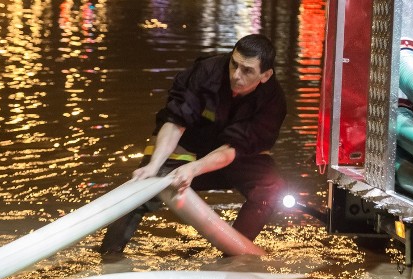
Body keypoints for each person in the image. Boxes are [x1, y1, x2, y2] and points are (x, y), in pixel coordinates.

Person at [100, 34, 287, 255]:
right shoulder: (206, 72)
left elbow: (235, 148)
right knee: (143, 185)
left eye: (247, 71)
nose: (236, 75)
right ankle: (109, 255)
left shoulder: (273, 103)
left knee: (270, 187)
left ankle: (233, 256)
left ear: (265, 75)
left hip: (231, 156)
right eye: (234, 64)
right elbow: (175, 120)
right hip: (186, 149)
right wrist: (154, 165)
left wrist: (195, 168)